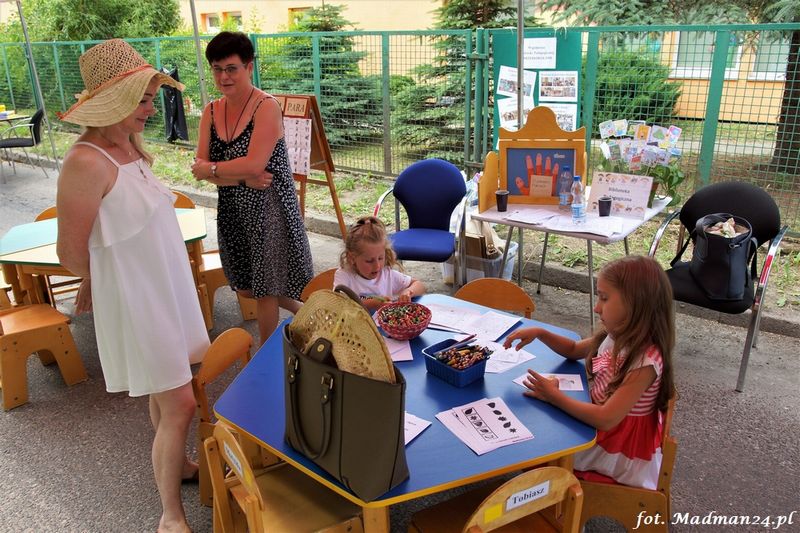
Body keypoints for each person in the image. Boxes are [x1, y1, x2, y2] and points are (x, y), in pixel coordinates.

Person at [56, 39, 210, 533]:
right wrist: (96, 279)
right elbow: (70, 251)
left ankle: (179, 464)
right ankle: (170, 516)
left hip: (163, 287)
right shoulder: (85, 161)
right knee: (181, 402)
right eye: (142, 99)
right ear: (114, 101)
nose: (151, 108)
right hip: (139, 297)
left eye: (151, 98)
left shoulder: (129, 147)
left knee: (165, 394)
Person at [504, 255, 675, 490]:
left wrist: (554, 396)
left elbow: (606, 419)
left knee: (532, 448)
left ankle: (557, 504)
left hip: (615, 450)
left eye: (604, 298)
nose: (596, 307)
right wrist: (541, 333)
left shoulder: (645, 362)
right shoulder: (616, 333)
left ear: (635, 304)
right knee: (532, 433)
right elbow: (574, 349)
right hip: (597, 425)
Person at [191, 31, 313, 346]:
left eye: (231, 68)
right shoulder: (210, 111)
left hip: (269, 208)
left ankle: (265, 358)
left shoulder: (266, 106)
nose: (224, 77)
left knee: (265, 290)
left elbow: (254, 165)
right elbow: (201, 169)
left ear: (248, 67)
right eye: (217, 69)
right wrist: (240, 178)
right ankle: (309, 314)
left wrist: (215, 170)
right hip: (233, 209)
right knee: (247, 287)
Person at [334, 216, 426, 312]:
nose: (377, 266)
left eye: (380, 258)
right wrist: (372, 303)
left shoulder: (386, 274)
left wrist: (408, 292)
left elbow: (420, 285)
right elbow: (338, 304)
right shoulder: (344, 276)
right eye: (369, 261)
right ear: (352, 258)